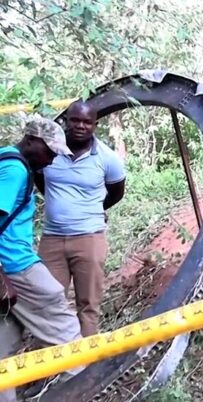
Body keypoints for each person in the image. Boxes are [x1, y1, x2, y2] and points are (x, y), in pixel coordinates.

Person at [0, 117, 84, 402]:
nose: (50, 160)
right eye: (50, 152)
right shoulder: (15, 170)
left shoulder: (6, 159)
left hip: (11, 267)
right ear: (32, 141)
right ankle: (89, 389)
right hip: (16, 267)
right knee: (68, 332)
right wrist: (2, 276)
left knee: (4, 345)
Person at [35, 100, 126, 337]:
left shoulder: (107, 158)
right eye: (75, 120)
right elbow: (39, 179)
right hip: (52, 240)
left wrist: (95, 207)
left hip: (89, 239)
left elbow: (117, 191)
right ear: (66, 120)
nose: (81, 126)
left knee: (88, 305)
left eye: (87, 122)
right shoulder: (48, 149)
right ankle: (54, 366)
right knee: (49, 302)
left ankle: (85, 368)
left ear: (95, 125)